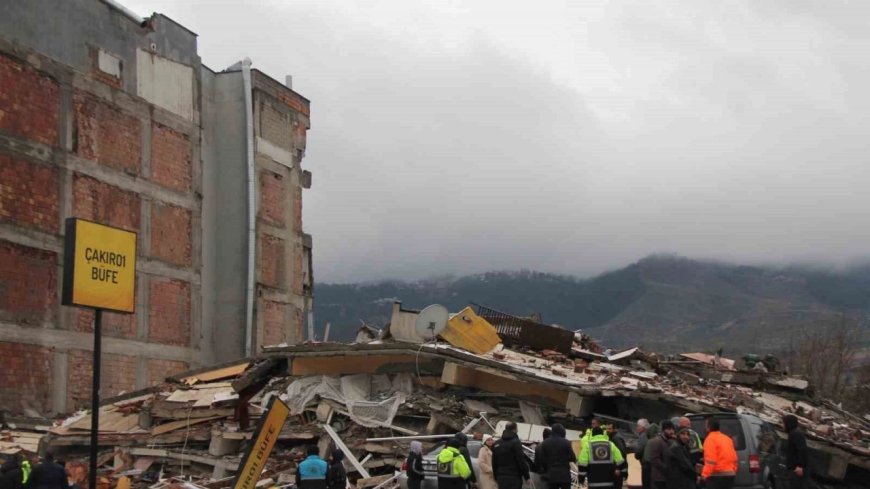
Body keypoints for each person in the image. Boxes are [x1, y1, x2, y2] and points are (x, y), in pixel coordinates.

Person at [701, 419, 738, 489]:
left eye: (705, 425)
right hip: (730, 475)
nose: (704, 427)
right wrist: (733, 470)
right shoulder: (727, 439)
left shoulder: (710, 439)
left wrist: (704, 475)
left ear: (709, 427)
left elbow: (711, 461)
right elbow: (734, 458)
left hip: (716, 476)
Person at [537, 424, 576, 489]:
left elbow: (541, 459)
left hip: (551, 475)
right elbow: (573, 458)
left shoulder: (545, 443)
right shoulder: (566, 442)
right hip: (565, 476)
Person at [492, 422, 529, 489]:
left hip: (501, 477)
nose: (517, 431)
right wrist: (526, 476)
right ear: (514, 430)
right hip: (514, 477)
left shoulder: (497, 443)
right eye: (517, 429)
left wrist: (495, 476)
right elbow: (521, 460)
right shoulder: (516, 442)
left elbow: (494, 462)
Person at [646, 420, 675, 489]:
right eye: (669, 429)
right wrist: (666, 469)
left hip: (667, 478)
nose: (672, 432)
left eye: (673, 429)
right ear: (663, 430)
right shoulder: (657, 441)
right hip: (659, 479)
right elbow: (655, 460)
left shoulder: (669, 441)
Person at [783, 415, 809, 489]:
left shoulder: (796, 434)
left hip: (797, 469)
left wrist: (800, 466)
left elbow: (802, 450)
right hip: (793, 468)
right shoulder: (793, 433)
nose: (783, 426)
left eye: (784, 423)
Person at [605, 424, 627, 489]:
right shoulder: (612, 437)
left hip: (617, 468)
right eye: (607, 428)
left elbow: (622, 453)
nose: (607, 430)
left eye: (609, 429)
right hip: (614, 467)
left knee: (616, 485)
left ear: (614, 429)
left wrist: (618, 468)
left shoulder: (616, 438)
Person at [634, 419, 651, 489]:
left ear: (643, 428)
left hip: (646, 466)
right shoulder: (650, 435)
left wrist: (636, 455)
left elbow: (638, 452)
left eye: (638, 426)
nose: (636, 428)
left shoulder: (643, 437)